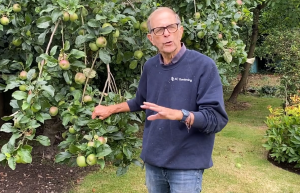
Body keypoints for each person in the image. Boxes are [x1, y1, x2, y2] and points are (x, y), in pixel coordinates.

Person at [92, 7, 228, 193]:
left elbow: (216, 119)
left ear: (181, 30)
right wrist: (110, 109)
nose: (166, 34)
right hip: (154, 162)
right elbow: (141, 101)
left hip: (186, 165)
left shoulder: (203, 66)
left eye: (171, 27)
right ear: (151, 38)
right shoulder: (151, 66)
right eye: (158, 30)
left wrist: (180, 114)